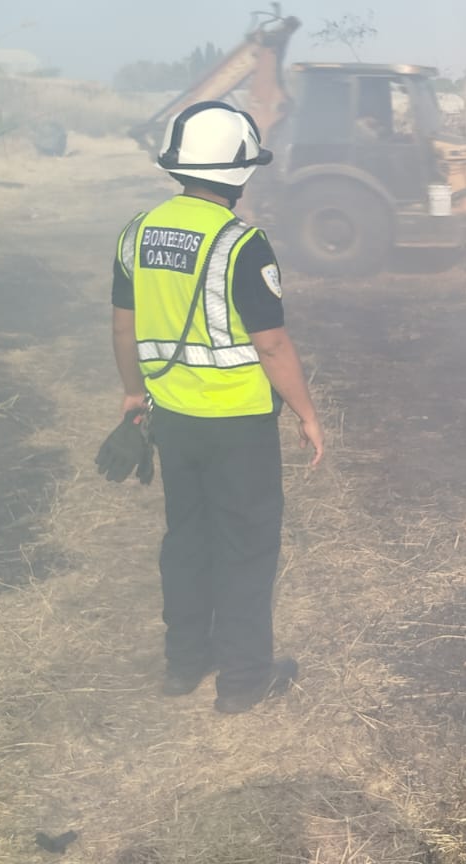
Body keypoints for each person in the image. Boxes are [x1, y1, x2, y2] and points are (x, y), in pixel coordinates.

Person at [111, 100, 325, 713]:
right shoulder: (243, 243)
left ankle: (184, 663)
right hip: (238, 428)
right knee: (246, 546)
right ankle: (243, 680)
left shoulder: (137, 232)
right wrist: (307, 413)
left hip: (171, 420)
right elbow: (272, 343)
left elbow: (123, 330)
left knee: (186, 538)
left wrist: (134, 393)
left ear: (179, 165)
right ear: (240, 172)